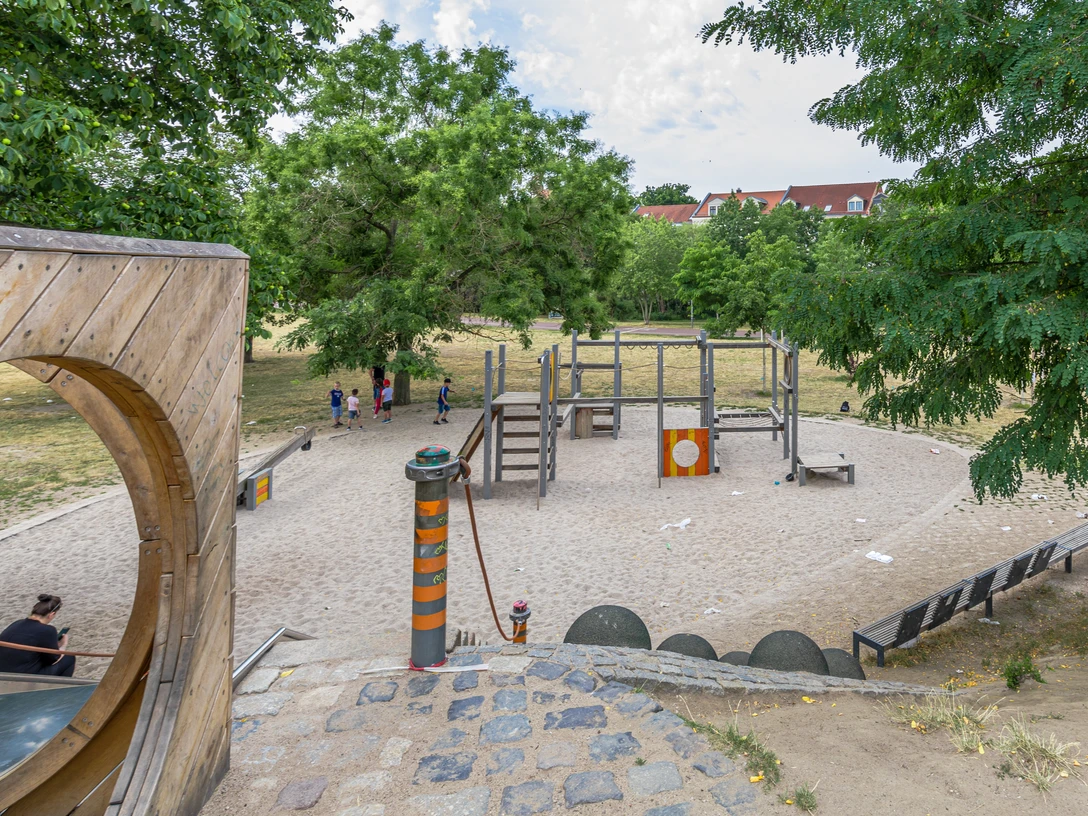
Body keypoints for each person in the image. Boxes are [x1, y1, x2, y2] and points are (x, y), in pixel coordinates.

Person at [0, 594, 76, 677]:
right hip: (22, 677)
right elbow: (54, 659)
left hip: (3, 673)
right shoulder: (48, 630)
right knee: (69, 658)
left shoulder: (16, 624)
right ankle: (61, 685)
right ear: (51, 614)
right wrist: (63, 646)